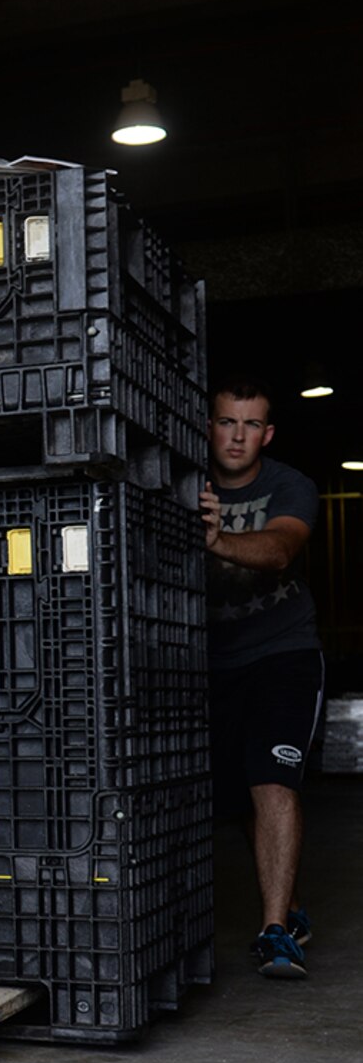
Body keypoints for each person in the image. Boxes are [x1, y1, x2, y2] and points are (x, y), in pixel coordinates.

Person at [200, 375, 325, 979]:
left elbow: (279, 549)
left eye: (251, 425)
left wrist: (219, 537)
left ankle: (275, 932)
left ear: (267, 434)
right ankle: (293, 906)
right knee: (237, 800)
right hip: (209, 661)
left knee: (273, 782)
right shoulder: (185, 482)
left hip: (283, 653)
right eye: (228, 421)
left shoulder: (288, 485)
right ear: (209, 426)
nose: (238, 435)